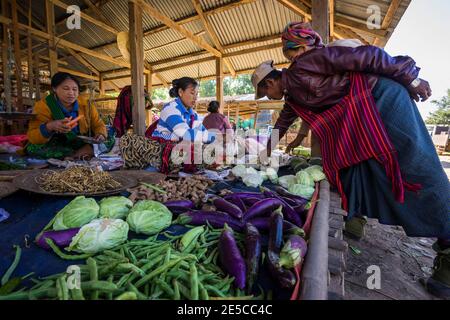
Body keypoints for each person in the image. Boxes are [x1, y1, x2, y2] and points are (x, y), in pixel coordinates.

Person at [253, 22, 450, 299]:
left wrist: (411, 79)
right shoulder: (293, 97)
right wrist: (264, 153)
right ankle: (356, 217)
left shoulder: (306, 63)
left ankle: (448, 249)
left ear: (270, 82)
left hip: (381, 101)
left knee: (417, 168)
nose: (268, 97)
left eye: (265, 92)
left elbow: (370, 56)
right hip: (363, 117)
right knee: (353, 169)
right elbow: (282, 125)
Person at [27, 72, 107, 160]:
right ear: (54, 88)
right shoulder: (43, 106)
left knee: (110, 137)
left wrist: (100, 134)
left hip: (81, 141)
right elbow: (33, 137)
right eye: (66, 88)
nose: (71, 93)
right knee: (32, 148)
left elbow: (98, 124)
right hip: (57, 143)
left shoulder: (86, 105)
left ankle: (74, 155)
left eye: (75, 89)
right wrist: (50, 126)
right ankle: (83, 153)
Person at [145, 77, 215, 173]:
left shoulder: (193, 114)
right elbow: (185, 134)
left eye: (196, 94)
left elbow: (203, 132)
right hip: (161, 149)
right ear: (181, 92)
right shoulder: (170, 108)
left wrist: (217, 138)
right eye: (192, 93)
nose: (195, 97)